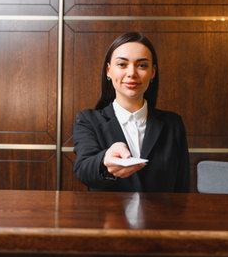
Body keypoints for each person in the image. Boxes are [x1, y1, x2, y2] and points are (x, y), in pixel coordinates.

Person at [73, 32, 190, 192]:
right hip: (109, 216)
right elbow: (83, 169)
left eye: (142, 65)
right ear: (108, 70)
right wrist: (105, 161)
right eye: (122, 64)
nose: (132, 73)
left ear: (153, 72)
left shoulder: (172, 123)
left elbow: (182, 185)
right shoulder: (88, 120)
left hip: (163, 216)